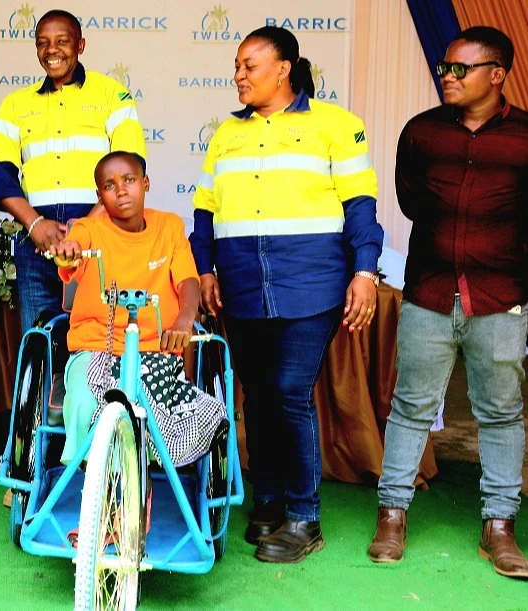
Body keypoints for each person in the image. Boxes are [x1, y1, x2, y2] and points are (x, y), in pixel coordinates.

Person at [190, 26, 382, 563]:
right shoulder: (226, 133)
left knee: (290, 393)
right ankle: (269, 502)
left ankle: (304, 516)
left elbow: (361, 207)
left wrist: (364, 272)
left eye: (250, 65)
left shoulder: (336, 126)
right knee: (257, 397)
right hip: (242, 284)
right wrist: (204, 269)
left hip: (311, 282)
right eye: (236, 66)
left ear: (285, 68)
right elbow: (205, 211)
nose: (239, 76)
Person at [368, 26, 528, 579]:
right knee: (410, 406)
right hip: (430, 292)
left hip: (501, 296)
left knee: (502, 413)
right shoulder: (421, 133)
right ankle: (392, 515)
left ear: (497, 74)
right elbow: (413, 203)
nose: (448, 75)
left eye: (462, 68)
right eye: (445, 66)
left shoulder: (525, 138)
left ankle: (500, 527)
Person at [51, 151, 226, 471]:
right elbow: (73, 249)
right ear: (99, 196)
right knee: (86, 400)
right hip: (95, 349)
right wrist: (68, 251)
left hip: (154, 348)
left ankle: (134, 485)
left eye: (129, 180)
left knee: (148, 413)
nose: (120, 190)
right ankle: (99, 486)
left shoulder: (169, 227)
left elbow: (188, 281)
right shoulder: (89, 229)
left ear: (145, 183)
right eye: (109, 185)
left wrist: (185, 321)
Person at [0, 9, 147, 333]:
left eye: (62, 41)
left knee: (101, 341)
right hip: (36, 238)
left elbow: (131, 168)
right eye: (43, 42)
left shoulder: (113, 95)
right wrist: (34, 224)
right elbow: (0, 177)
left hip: (100, 231)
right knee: (39, 340)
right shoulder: (15, 104)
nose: (52, 50)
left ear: (81, 45)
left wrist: (87, 228)